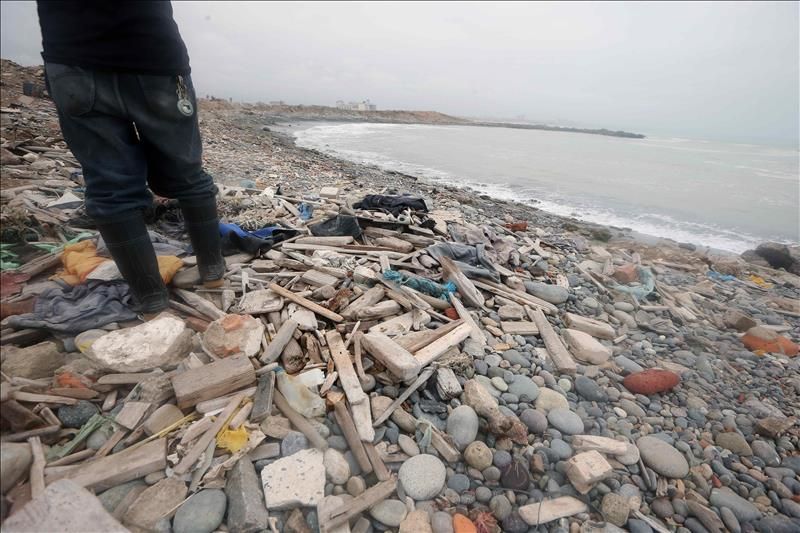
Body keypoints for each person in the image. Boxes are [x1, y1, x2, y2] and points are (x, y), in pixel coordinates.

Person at [36, 0, 225, 315]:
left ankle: (151, 301)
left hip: (73, 59)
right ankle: (213, 271)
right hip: (152, 54)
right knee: (187, 174)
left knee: (111, 187)